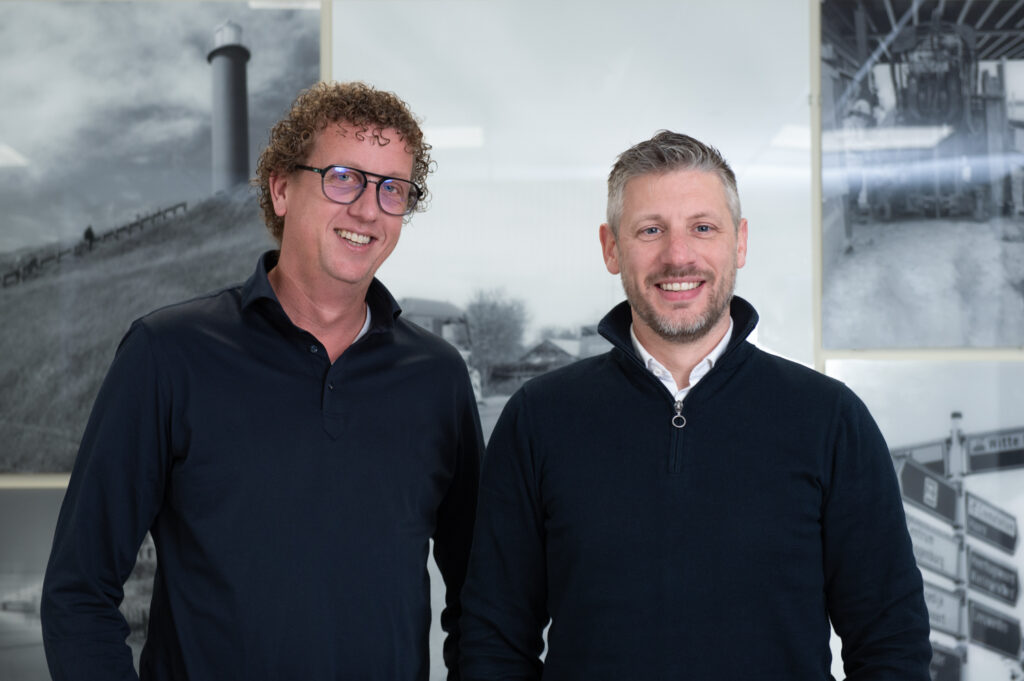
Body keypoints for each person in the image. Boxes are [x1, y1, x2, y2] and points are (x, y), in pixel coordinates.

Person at [41, 81, 482, 681]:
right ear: (280, 188)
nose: (368, 209)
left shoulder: (437, 378)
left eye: (392, 188)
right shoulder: (167, 354)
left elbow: (481, 600)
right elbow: (78, 591)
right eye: (343, 178)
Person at [459, 131, 931, 679]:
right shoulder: (538, 419)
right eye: (650, 230)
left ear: (740, 242)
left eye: (703, 228)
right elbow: (492, 643)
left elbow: (891, 645)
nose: (678, 256)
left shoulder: (831, 420)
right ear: (611, 248)